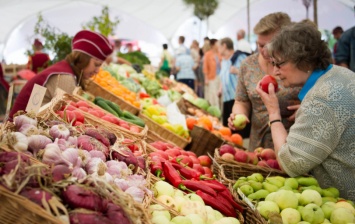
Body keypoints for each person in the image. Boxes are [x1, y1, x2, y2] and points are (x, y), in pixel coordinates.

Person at [256, 21, 355, 201]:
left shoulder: (320, 99)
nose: (276, 72)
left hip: (344, 202)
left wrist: (273, 112)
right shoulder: (341, 74)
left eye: (280, 64)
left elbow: (290, 163)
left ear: (303, 60)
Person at [228, 12, 301, 150]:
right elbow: (241, 101)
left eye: (270, 46)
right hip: (257, 147)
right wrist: (238, 114)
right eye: (260, 45)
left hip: (293, 147)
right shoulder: (247, 65)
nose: (264, 51)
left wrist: (308, 108)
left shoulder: (298, 65)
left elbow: (320, 94)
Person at [9, 30, 113, 120]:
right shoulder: (65, 78)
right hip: (20, 133)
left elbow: (33, 108)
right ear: (83, 59)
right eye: (96, 64)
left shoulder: (62, 69)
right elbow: (67, 118)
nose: (97, 71)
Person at [218, 37, 239, 126]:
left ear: (224, 46)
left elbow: (248, 74)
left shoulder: (238, 57)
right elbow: (223, 77)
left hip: (236, 98)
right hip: (226, 97)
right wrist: (220, 89)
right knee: (227, 126)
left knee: (236, 125)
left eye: (219, 47)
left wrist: (237, 71)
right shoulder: (223, 61)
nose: (218, 49)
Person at [203, 38, 221, 108]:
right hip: (212, 77)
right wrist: (206, 78)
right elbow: (205, 67)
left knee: (219, 95)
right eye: (217, 43)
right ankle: (214, 111)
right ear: (213, 45)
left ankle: (220, 111)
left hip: (220, 77)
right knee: (213, 95)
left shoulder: (220, 54)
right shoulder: (208, 54)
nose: (218, 45)